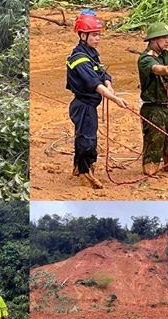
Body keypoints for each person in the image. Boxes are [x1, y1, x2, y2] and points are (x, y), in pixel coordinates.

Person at [66, 10, 129, 189]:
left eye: (98, 35)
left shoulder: (91, 54)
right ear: (83, 35)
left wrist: (109, 83)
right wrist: (115, 98)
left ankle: (79, 167)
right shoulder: (79, 58)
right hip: (83, 105)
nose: (97, 38)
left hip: (89, 105)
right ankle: (85, 174)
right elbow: (94, 83)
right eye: (94, 35)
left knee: (85, 137)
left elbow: (102, 74)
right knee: (87, 140)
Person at [138, 22, 168, 176]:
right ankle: (150, 168)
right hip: (153, 106)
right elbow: (155, 69)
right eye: (164, 38)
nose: (167, 40)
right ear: (153, 40)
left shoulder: (165, 55)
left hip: (167, 105)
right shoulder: (145, 58)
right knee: (154, 139)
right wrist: (166, 70)